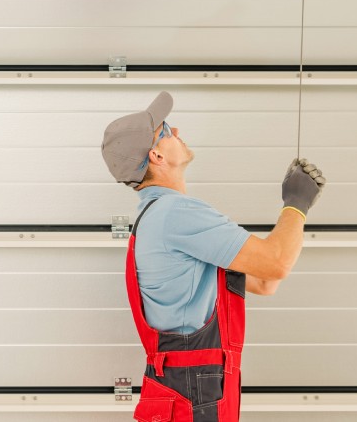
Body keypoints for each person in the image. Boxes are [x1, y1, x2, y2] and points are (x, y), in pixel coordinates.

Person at [100, 91, 325, 422]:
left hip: (186, 381)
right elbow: (276, 263)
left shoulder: (156, 216)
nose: (176, 132)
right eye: (166, 130)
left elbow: (264, 282)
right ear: (157, 156)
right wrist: (297, 202)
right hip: (195, 385)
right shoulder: (177, 213)